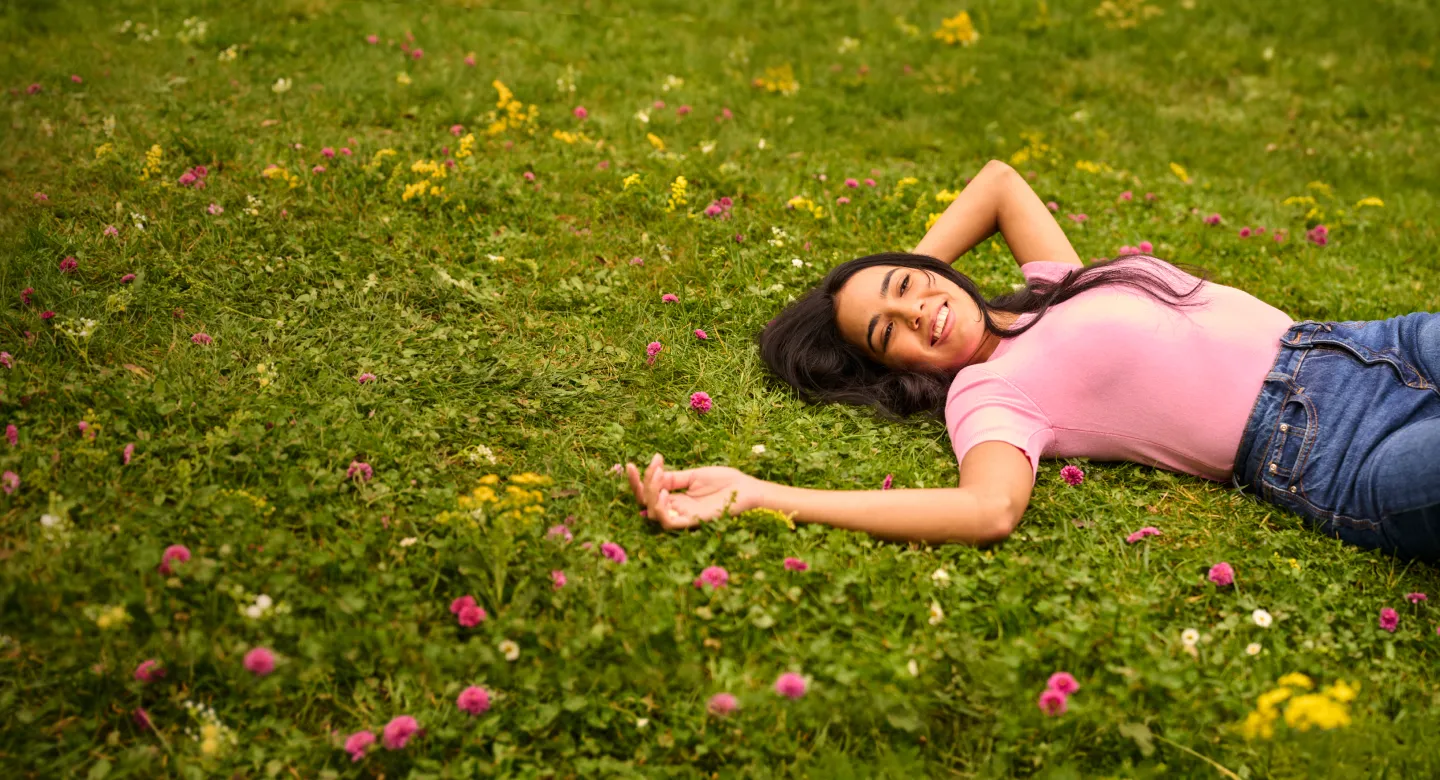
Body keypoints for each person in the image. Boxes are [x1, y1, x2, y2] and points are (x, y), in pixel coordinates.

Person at [624, 160, 1440, 564]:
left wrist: (888, 280)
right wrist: (758, 493)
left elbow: (998, 184)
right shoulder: (988, 392)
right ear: (894, 370)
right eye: (890, 333)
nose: (919, 312)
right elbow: (986, 511)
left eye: (910, 287)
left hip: (1375, 346)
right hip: (1334, 454)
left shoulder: (1053, 286)